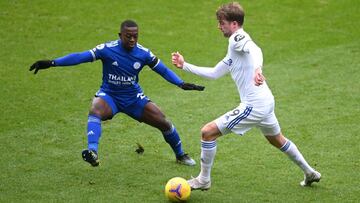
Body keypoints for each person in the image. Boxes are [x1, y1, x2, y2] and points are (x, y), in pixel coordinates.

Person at [171, 2, 321, 190]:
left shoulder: (238, 38)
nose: (219, 26)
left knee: (207, 133)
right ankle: (310, 172)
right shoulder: (233, 48)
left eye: (222, 22)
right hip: (266, 101)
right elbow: (215, 73)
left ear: (234, 24)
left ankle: (203, 180)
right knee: (277, 139)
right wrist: (185, 65)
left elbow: (255, 49)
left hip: (254, 105)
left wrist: (258, 69)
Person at [30, 19, 205, 167]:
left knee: (164, 123)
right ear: (120, 35)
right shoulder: (107, 49)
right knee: (95, 110)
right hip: (110, 96)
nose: (132, 39)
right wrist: (52, 63)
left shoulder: (143, 54)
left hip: (133, 99)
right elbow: (80, 57)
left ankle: (180, 155)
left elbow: (163, 70)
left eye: (135, 36)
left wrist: (181, 83)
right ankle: (92, 151)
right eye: (128, 36)